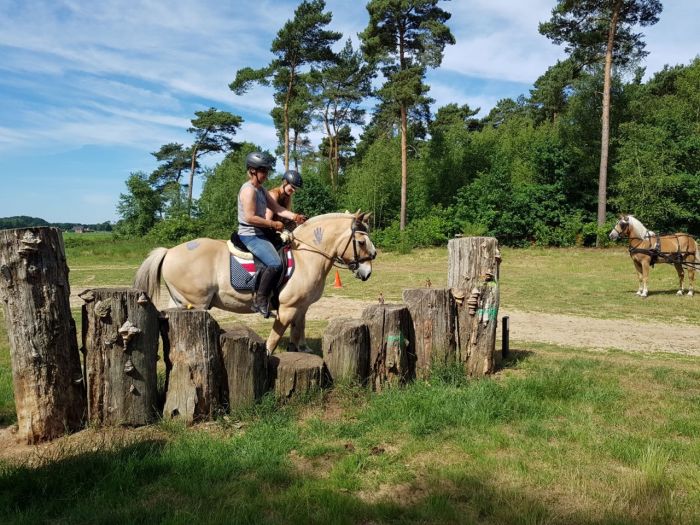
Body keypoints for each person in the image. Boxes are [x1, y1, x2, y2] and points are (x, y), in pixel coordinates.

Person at [237, 152, 306, 317]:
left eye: (267, 171)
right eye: (264, 171)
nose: (267, 175)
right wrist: (273, 224)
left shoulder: (260, 190)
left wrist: (295, 217)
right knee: (275, 263)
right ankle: (260, 300)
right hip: (250, 234)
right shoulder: (248, 190)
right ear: (253, 171)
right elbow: (249, 217)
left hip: (259, 232)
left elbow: (277, 209)